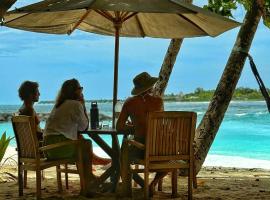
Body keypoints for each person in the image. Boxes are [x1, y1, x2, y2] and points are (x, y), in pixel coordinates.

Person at [116, 72, 166, 197]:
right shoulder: (158, 101)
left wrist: (134, 127)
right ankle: (153, 184)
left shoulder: (130, 102)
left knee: (124, 152)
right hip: (161, 149)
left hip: (141, 149)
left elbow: (119, 127)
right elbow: (159, 125)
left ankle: (130, 186)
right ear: (150, 86)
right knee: (171, 161)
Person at [43, 78, 95, 197]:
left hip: (47, 149)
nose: (82, 91)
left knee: (82, 142)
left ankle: (87, 178)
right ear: (75, 91)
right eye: (80, 89)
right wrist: (83, 105)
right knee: (87, 144)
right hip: (59, 148)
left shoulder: (58, 105)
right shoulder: (75, 104)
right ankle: (87, 183)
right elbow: (84, 127)